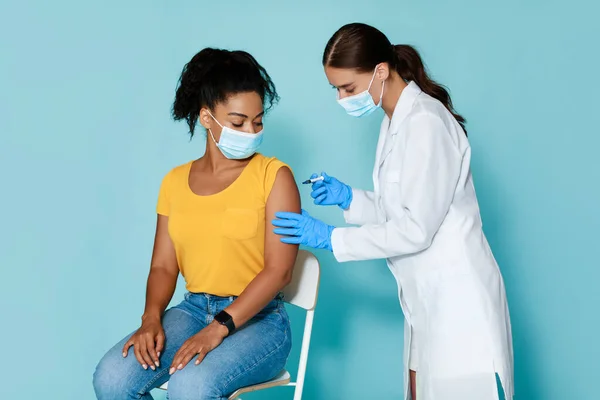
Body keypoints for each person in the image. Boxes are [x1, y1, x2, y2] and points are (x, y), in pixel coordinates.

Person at [273, 23, 514, 400]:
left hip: (456, 301)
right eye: (335, 89)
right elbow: (402, 207)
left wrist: (330, 237)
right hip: (426, 300)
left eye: (348, 88)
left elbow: (417, 228)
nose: (341, 99)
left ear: (381, 71)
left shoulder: (426, 123)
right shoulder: (396, 120)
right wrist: (349, 199)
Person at [93, 48, 300, 400]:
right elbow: (162, 265)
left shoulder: (275, 177)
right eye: (237, 122)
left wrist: (219, 327)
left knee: (191, 385)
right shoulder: (174, 182)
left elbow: (278, 272)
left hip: (260, 321)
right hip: (192, 311)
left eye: (258, 121)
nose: (250, 131)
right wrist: (151, 319)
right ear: (207, 118)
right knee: (112, 379)